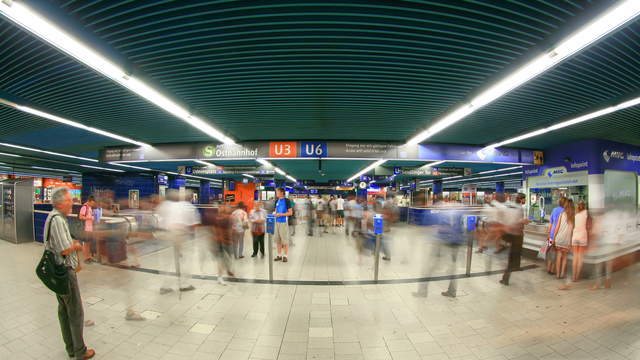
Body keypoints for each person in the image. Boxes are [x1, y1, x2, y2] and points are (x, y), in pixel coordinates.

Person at [44, 188, 95, 360]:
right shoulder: (57, 219)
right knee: (75, 312)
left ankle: (71, 349)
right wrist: (77, 246)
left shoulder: (53, 217)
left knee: (64, 311)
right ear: (60, 203)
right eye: (69, 200)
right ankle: (80, 351)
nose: (72, 203)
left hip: (58, 273)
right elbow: (64, 249)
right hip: (64, 273)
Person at [155, 189, 200, 294]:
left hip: (164, 235)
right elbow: (193, 225)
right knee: (185, 261)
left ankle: (165, 286)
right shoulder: (188, 206)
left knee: (166, 262)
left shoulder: (163, 205)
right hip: (182, 235)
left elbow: (156, 220)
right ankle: (184, 285)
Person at [499, 193, 529, 286]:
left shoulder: (511, 207)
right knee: (513, 258)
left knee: (513, 257)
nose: (525, 200)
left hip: (510, 234)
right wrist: (523, 221)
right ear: (520, 199)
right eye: (524, 199)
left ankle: (507, 275)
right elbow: (514, 221)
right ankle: (506, 277)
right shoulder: (519, 208)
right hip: (516, 236)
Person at [209, 205, 235, 285]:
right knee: (223, 259)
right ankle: (221, 276)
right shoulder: (228, 218)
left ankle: (225, 271)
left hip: (222, 241)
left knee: (225, 258)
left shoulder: (218, 218)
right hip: (222, 242)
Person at [554, 198, 574, 281]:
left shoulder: (562, 214)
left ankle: (557, 274)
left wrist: (554, 237)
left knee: (559, 256)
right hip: (567, 239)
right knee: (565, 257)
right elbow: (573, 229)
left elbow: (557, 227)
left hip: (559, 238)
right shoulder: (573, 216)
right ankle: (562, 273)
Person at [546, 197, 567, 275]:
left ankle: (548, 268)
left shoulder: (554, 209)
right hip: (558, 234)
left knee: (551, 251)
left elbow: (551, 222)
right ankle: (553, 270)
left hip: (551, 234)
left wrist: (548, 233)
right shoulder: (564, 211)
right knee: (557, 252)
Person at [273, 188, 293, 263]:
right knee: (278, 240)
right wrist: (274, 214)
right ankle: (279, 255)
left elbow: (290, 213)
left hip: (283, 222)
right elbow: (275, 211)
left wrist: (281, 214)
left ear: (282, 192)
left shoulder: (287, 201)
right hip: (276, 222)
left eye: (277, 192)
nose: (276, 193)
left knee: (284, 240)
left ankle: (285, 256)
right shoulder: (276, 201)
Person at [78, 196, 96, 264]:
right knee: (85, 244)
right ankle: (86, 258)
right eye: (92, 203)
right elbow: (80, 216)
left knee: (88, 244)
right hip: (85, 228)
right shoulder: (84, 207)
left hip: (89, 228)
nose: (92, 204)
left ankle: (89, 257)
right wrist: (89, 218)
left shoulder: (90, 208)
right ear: (89, 201)